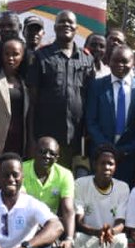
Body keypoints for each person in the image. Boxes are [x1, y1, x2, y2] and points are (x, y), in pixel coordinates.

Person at [27, 10, 93, 166]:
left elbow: (89, 98)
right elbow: (32, 102)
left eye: (70, 22)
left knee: (71, 184)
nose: (66, 25)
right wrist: (31, 139)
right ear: (55, 27)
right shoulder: (41, 56)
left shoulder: (87, 59)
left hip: (77, 139)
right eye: (61, 22)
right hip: (46, 138)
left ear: (76, 28)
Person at [85, 44, 135, 184]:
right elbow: (91, 121)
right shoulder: (96, 86)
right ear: (109, 61)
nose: (119, 65)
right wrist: (107, 148)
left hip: (128, 157)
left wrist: (127, 149)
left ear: (133, 63)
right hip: (100, 155)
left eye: (124, 61)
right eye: (115, 60)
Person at [72, 145, 130, 248]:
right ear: (94, 165)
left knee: (121, 240)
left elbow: (121, 222)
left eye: (111, 164)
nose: (107, 167)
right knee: (79, 239)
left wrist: (110, 232)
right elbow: (79, 222)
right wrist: (96, 232)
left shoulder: (123, 187)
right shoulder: (80, 184)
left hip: (112, 235)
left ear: (115, 167)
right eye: (102, 163)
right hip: (89, 233)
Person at [22, 136, 76, 248]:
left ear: (57, 158)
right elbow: (21, 204)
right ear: (34, 152)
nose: (47, 156)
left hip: (50, 224)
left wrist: (69, 239)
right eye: (42, 151)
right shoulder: (21, 169)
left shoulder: (65, 175)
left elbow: (68, 209)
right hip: (24, 222)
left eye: (52, 154)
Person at [0, 37, 30, 169]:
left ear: (23, 56)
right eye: (6, 54)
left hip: (19, 145)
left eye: (15, 54)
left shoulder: (25, 82)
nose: (10, 58)